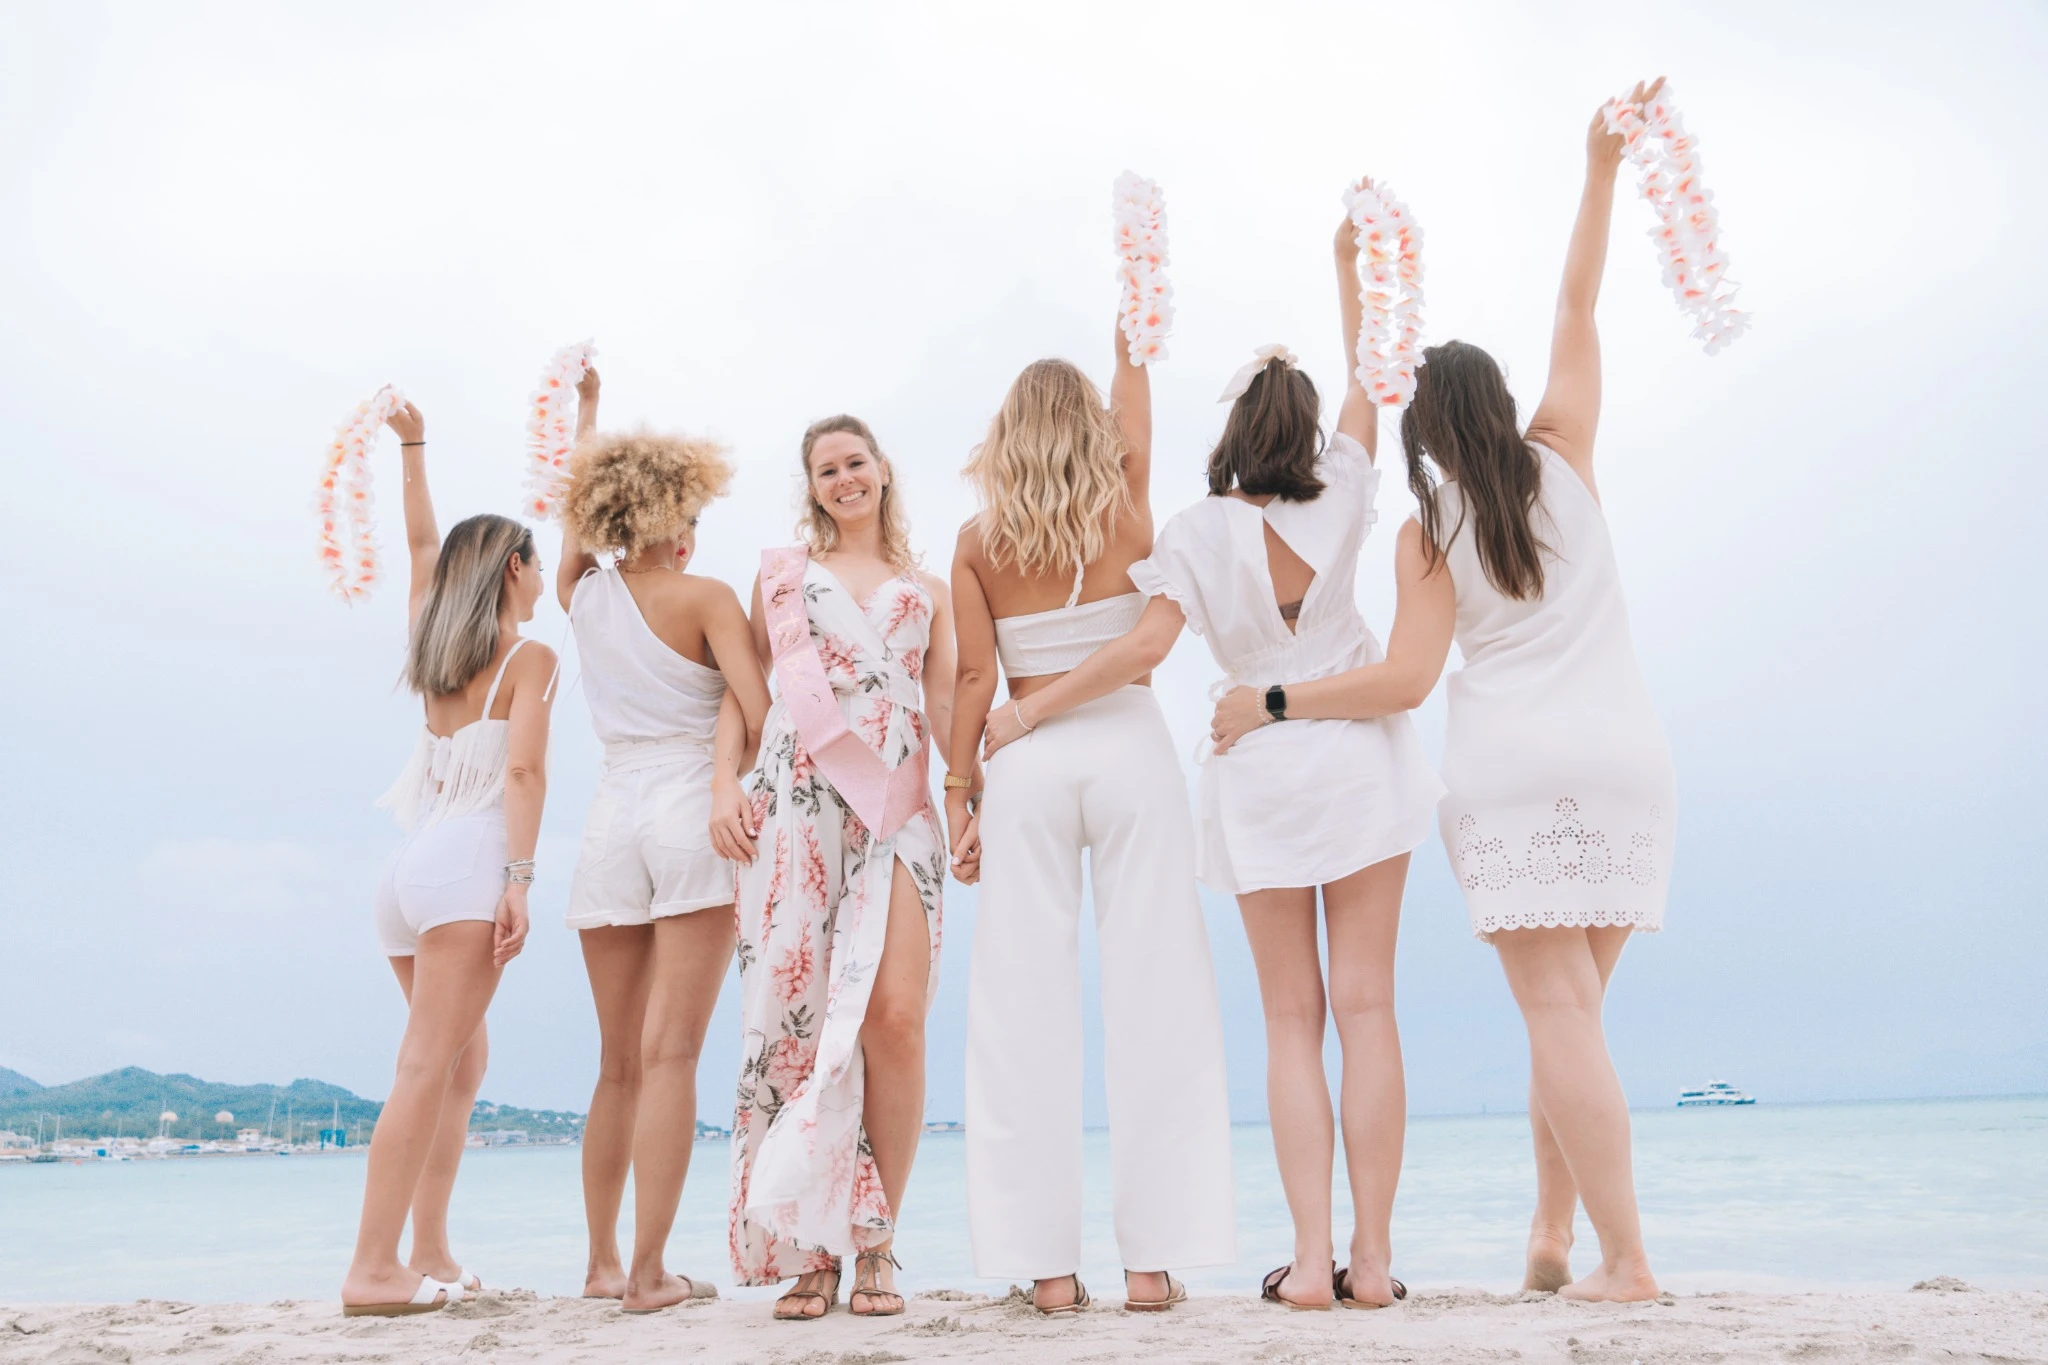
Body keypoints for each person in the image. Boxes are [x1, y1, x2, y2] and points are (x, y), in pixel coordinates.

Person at [1211, 82, 1678, 1303]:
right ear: (1503, 404)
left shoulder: (1428, 529)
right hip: (1627, 759)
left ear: (1423, 425)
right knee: (1571, 1014)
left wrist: (1271, 704)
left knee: (1555, 1012)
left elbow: (1406, 681)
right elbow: (1578, 298)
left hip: (1514, 773)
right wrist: (1599, 170)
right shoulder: (1566, 453)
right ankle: (1549, 1230)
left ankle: (1623, 1259)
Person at [981, 189, 1442, 1309]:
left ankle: (1306, 1265)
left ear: (1232, 432)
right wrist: (1350, 264)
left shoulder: (1191, 533)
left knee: (1292, 1020)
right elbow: (1370, 377)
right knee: (1369, 1008)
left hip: (1260, 769)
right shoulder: (1341, 487)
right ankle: (1370, 1262)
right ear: (1299, 429)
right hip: (1359, 750)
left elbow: (1141, 646)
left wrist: (1030, 709)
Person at [949, 307, 1235, 1316]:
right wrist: (1132, 335)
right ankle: (1154, 1265)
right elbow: (1137, 405)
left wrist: (958, 799)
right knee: (1157, 990)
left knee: (1019, 1006)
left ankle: (1050, 1270)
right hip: (1128, 748)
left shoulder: (977, 542)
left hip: (1021, 762)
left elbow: (973, 677)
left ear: (1006, 433)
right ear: (1088, 428)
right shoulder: (1127, 505)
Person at [725, 415, 956, 1320]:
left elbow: (947, 706)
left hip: (896, 811)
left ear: (884, 469)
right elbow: (745, 699)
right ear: (811, 484)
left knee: (895, 1019)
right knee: (805, 1018)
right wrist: (723, 787)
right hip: (799, 807)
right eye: (826, 469)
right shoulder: (780, 578)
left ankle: (880, 1238)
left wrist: (967, 804)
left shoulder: (930, 589)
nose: (843, 478)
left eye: (855, 462)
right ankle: (813, 1247)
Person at [555, 370, 771, 1311]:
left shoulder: (583, 595)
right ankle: (651, 1273)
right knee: (673, 1053)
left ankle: (602, 1262)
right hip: (692, 810)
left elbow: (567, 524)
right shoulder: (707, 596)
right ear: (675, 511)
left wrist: (587, 423)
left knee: (616, 1062)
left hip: (610, 820)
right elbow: (759, 717)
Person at [339, 400, 556, 1316]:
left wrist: (413, 446)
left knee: (459, 1068)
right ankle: (372, 1267)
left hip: (405, 876)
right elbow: (526, 772)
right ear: (515, 567)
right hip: (466, 870)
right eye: (537, 562)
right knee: (427, 1068)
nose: (544, 579)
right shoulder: (530, 657)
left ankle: (425, 1245)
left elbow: (422, 543)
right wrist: (520, 881)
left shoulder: (435, 641)